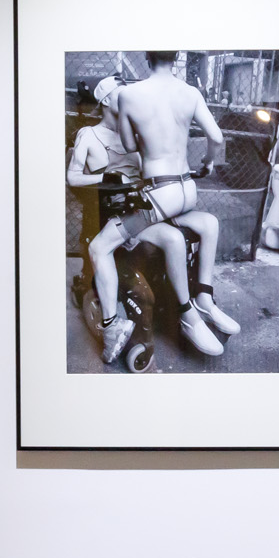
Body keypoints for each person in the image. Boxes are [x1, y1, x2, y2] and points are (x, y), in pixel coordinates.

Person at [70, 76, 202, 364]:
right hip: (111, 215)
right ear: (106, 100)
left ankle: (186, 310)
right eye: (123, 94)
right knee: (102, 248)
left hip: (139, 212)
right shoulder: (88, 136)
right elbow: (71, 176)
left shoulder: (133, 135)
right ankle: (111, 323)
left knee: (175, 238)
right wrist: (104, 176)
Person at [115, 51, 238, 355]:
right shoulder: (191, 92)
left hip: (159, 192)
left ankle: (188, 312)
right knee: (209, 224)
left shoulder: (129, 94)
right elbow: (217, 137)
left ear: (147, 56)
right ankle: (204, 298)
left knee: (111, 236)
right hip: (187, 189)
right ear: (176, 57)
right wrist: (207, 163)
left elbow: (130, 146)